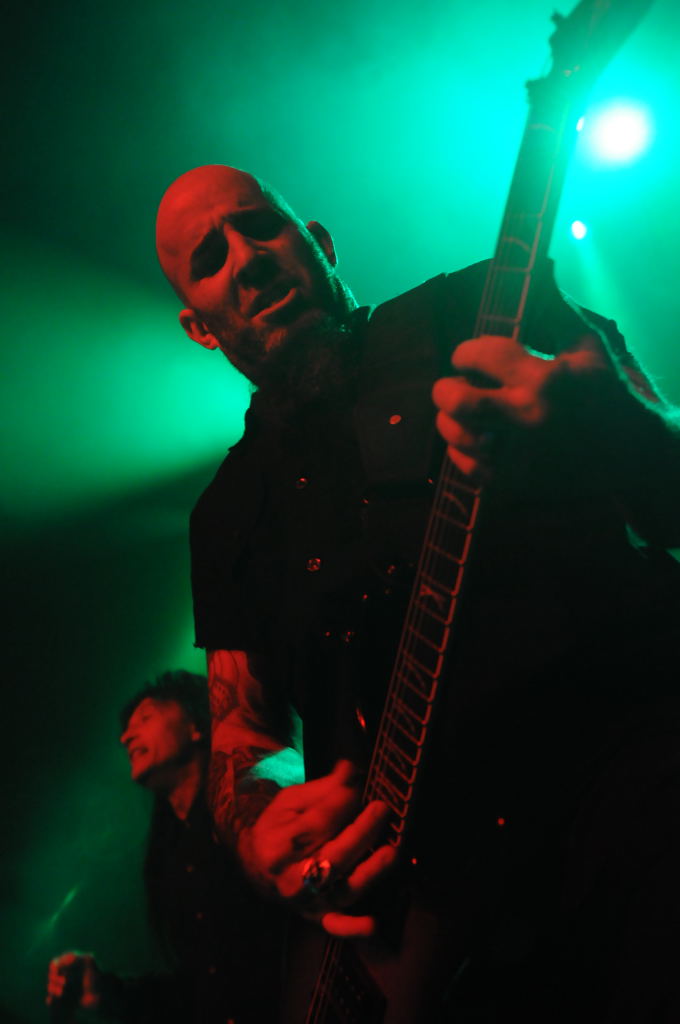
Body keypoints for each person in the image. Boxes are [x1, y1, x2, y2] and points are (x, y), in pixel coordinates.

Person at [156, 164, 680, 1021]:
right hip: (446, 946)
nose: (246, 258)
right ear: (198, 326)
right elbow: (243, 729)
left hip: (643, 808)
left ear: (317, 243)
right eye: (209, 258)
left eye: (259, 225)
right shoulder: (225, 514)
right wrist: (260, 830)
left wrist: (624, 432)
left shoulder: (484, 305)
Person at [46, 670, 285, 1023]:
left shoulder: (250, 805)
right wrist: (107, 991)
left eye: (146, 718)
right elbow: (198, 988)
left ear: (196, 726)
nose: (126, 736)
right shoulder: (167, 861)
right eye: (126, 729)